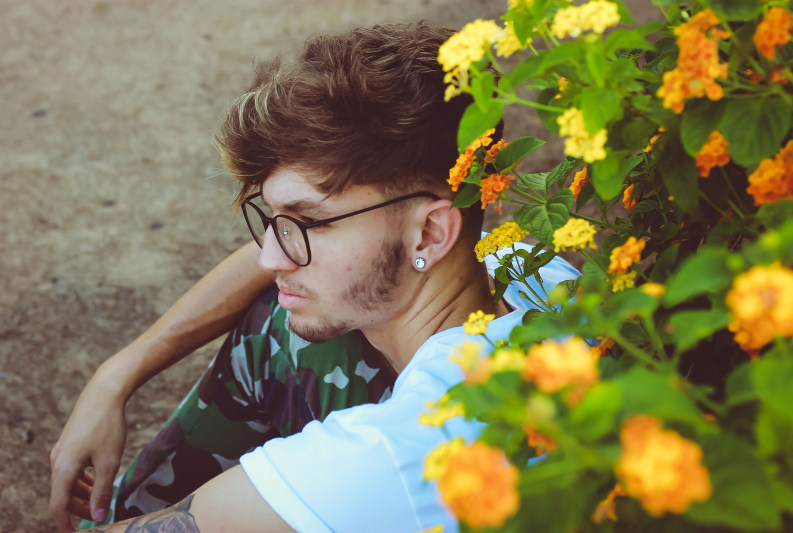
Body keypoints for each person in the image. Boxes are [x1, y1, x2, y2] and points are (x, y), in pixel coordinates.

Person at [49, 21, 579, 532]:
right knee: (282, 315)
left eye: (308, 222)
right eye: (276, 221)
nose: (269, 258)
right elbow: (271, 266)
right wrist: (117, 375)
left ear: (429, 233)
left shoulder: (396, 455)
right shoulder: (523, 268)